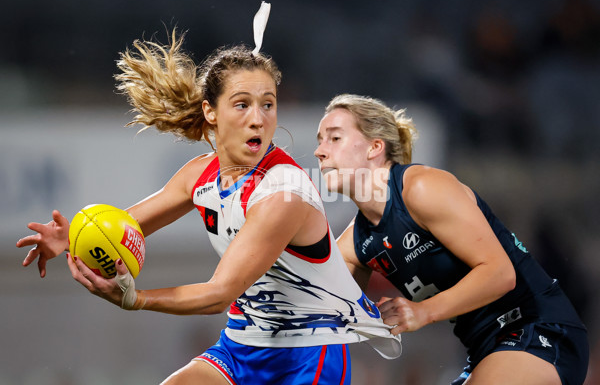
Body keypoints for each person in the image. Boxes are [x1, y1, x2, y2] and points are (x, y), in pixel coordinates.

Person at [15, 26, 402, 384]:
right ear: (210, 112)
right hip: (241, 345)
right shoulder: (198, 175)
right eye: (242, 104)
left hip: (308, 352)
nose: (258, 119)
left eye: (268, 104)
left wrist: (138, 300)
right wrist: (75, 238)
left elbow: (219, 294)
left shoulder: (284, 192)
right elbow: (123, 228)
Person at [313, 94, 589, 385]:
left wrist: (422, 311)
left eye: (334, 138)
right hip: (485, 351)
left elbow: (500, 273)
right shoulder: (355, 243)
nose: (320, 151)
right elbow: (322, 315)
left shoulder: (421, 188)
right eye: (320, 140)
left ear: (375, 147)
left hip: (539, 328)